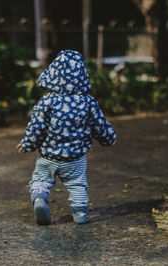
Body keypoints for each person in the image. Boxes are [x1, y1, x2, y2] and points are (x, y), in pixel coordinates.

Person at [17, 50, 117, 225]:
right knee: (77, 185)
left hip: (48, 157)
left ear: (53, 73)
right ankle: (80, 214)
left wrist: (27, 144)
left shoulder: (46, 102)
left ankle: (40, 199)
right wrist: (109, 138)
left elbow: (36, 127)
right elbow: (99, 125)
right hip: (75, 159)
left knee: (40, 180)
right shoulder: (88, 102)